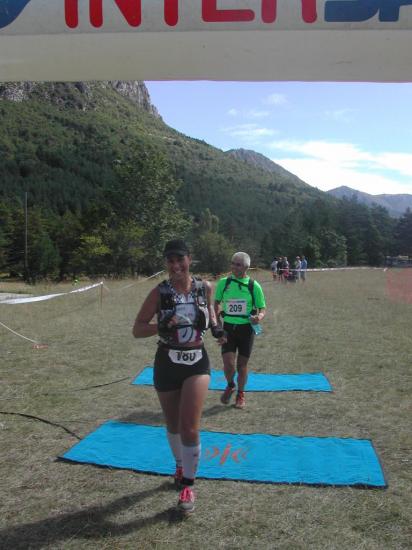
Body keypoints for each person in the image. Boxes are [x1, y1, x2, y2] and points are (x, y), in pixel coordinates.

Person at [132, 239, 223, 515]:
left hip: (196, 361)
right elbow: (137, 329)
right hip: (167, 361)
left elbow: (213, 317)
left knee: (189, 426)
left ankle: (188, 484)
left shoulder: (204, 287)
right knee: (172, 424)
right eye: (170, 261)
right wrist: (160, 326)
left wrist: (218, 331)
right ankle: (180, 464)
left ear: (189, 259)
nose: (175, 266)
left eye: (179, 260)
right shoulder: (159, 293)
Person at [213, 252, 266, 409]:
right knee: (228, 364)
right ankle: (230, 385)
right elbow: (216, 304)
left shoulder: (253, 286)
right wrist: (218, 326)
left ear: (246, 267)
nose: (233, 267)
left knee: (242, 365)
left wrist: (259, 317)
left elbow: (262, 308)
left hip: (246, 330)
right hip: (228, 328)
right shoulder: (224, 283)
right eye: (232, 263)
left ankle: (241, 394)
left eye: (238, 264)